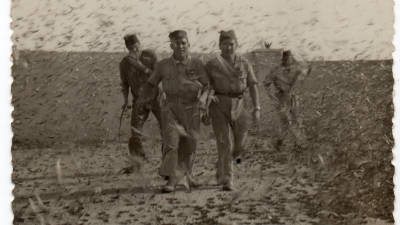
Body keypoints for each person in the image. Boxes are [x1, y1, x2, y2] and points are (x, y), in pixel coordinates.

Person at [138, 30, 210, 193]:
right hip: (170, 107)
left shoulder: (197, 64)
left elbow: (207, 85)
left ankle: (188, 175)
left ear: (189, 44)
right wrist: (143, 101)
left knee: (190, 144)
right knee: (171, 143)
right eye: (177, 43)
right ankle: (171, 179)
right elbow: (151, 84)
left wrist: (203, 98)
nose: (181, 46)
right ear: (171, 45)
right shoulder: (163, 65)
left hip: (192, 108)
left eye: (184, 43)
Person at [205, 30, 261, 191]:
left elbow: (253, 85)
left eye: (231, 44)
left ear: (236, 44)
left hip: (240, 103)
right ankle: (227, 178)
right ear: (219, 45)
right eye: (225, 44)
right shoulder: (212, 64)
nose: (228, 47)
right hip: (219, 104)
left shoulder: (244, 63)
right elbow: (205, 86)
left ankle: (221, 164)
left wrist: (257, 107)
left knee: (239, 145)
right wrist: (206, 108)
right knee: (224, 142)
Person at [119, 34, 162, 171]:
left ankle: (170, 161)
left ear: (140, 44)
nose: (134, 48)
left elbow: (159, 74)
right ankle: (137, 162)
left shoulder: (150, 55)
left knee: (167, 129)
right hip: (139, 100)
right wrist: (125, 100)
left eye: (136, 45)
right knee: (135, 132)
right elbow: (124, 84)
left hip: (156, 97)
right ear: (127, 47)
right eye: (131, 47)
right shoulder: (124, 63)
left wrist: (142, 67)